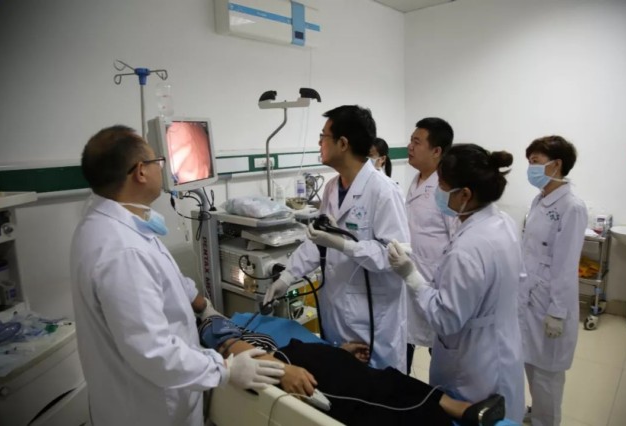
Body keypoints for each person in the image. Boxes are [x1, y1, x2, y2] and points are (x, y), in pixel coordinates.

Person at [70, 125, 285, 426]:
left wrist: (203, 306)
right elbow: (153, 352)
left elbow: (164, 276)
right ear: (140, 172)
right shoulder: (123, 250)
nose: (162, 168)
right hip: (149, 411)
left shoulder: (108, 223)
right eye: (158, 161)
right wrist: (225, 370)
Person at [263, 105, 411, 372]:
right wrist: (287, 277)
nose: (319, 142)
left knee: (375, 387)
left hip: (372, 320)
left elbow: (394, 257)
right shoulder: (332, 188)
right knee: (338, 382)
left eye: (323, 136)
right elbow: (316, 241)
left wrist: (344, 245)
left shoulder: (384, 191)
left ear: (343, 143)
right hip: (336, 311)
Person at [387, 144, 525, 422]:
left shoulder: (468, 248)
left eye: (442, 186)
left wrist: (410, 275)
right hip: (501, 343)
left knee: (473, 416)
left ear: (465, 194)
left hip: (473, 366)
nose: (437, 193)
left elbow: (446, 319)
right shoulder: (502, 222)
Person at [198, 309, 508, 426]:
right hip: (287, 363)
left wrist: (337, 350)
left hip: (304, 353)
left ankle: (463, 410)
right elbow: (231, 348)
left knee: (384, 378)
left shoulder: (233, 320)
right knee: (371, 395)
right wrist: (283, 370)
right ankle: (458, 413)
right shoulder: (209, 329)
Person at [518, 136, 588, 426]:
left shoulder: (572, 207)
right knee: (531, 362)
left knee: (548, 373)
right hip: (530, 298)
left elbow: (566, 264)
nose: (530, 168)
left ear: (556, 164)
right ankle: (537, 412)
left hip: (550, 301)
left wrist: (557, 312)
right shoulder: (540, 199)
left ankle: (546, 421)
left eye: (535, 161)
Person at [404, 117, 456, 371]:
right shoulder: (416, 181)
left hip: (437, 286)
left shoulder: (446, 188)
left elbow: (457, 239)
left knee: (443, 359)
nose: (410, 147)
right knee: (405, 344)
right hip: (411, 279)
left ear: (436, 151)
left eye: (417, 142)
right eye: (410, 141)